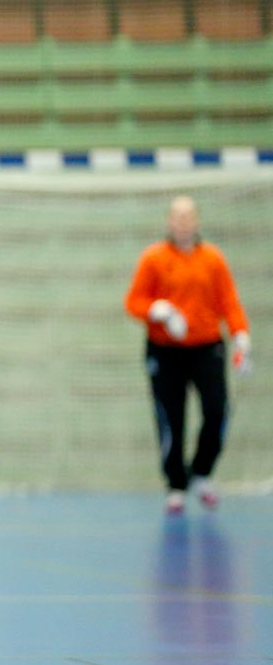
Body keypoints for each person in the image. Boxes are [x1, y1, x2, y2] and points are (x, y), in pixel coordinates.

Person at [124, 195, 251, 515]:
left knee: (216, 410)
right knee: (171, 417)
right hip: (165, 352)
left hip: (207, 348)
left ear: (196, 221)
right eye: (177, 218)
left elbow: (229, 301)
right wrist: (158, 310)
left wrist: (240, 336)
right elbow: (133, 301)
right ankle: (176, 484)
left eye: (188, 217)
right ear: (169, 222)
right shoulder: (153, 259)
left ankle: (202, 472)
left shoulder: (212, 259)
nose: (183, 223)